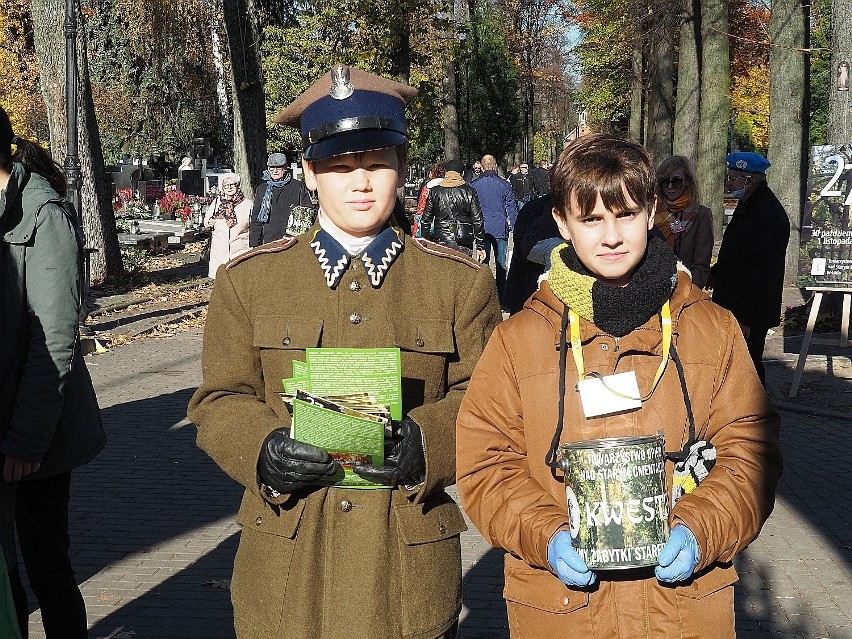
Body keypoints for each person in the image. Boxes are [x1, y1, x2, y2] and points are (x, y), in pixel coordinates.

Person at [188, 64, 502, 639]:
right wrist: (261, 450)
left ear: (403, 169)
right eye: (338, 166)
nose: (360, 182)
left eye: (377, 162)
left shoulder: (458, 284)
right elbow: (219, 398)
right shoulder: (251, 282)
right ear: (308, 174)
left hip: (404, 563)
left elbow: (488, 403)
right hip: (290, 561)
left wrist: (428, 444)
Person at [456, 134, 781, 638]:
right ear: (562, 222)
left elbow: (750, 450)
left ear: (651, 211)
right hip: (563, 614)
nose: (611, 236)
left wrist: (699, 529)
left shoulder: (711, 329)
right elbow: (486, 463)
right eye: (591, 219)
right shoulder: (519, 340)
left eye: (625, 214)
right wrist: (548, 536)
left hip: (681, 613)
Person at [0, 106, 105, 638]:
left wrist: (25, 442)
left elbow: (54, 341)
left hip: (37, 433)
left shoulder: (41, 215)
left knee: (46, 566)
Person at [710, 151, 790, 386]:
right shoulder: (749, 204)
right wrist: (717, 273)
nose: (730, 183)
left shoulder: (767, 213)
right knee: (734, 364)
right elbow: (738, 252)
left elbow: (763, 272)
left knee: (748, 366)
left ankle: (756, 415)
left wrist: (746, 318)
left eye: (734, 179)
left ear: (750, 180)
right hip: (734, 303)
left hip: (748, 312)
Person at [653, 156, 714, 289]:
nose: (670, 187)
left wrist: (688, 292)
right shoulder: (651, 211)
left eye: (676, 181)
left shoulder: (701, 215)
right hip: (651, 288)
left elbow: (701, 265)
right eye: (665, 181)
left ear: (687, 181)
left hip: (684, 289)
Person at [470, 154, 518, 304]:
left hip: (481, 228)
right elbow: (511, 208)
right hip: (499, 227)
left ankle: (484, 294)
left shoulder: (474, 185)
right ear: (495, 166)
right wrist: (516, 230)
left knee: (483, 261)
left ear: (482, 167)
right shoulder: (504, 185)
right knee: (501, 262)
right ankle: (502, 295)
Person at [420, 159, 485, 259]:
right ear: (462, 173)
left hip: (440, 239)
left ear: (446, 173)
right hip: (463, 240)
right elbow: (477, 220)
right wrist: (480, 245)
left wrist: (425, 241)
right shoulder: (469, 192)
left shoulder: (435, 191)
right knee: (463, 272)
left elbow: (425, 220)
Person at [248, 152, 316, 247]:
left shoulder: (298, 187)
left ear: (285, 168)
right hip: (268, 240)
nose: (275, 171)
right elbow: (256, 219)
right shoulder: (262, 189)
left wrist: (302, 239)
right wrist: (254, 244)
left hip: (291, 241)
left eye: (278, 167)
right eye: (272, 168)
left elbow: (307, 215)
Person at [204, 174, 252, 278]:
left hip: (240, 252)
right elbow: (206, 221)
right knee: (221, 284)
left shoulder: (248, 204)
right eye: (226, 185)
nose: (229, 188)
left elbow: (254, 227)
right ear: (222, 187)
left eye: (232, 185)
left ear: (238, 186)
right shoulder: (217, 202)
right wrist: (210, 221)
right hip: (219, 252)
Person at [413, 161, 445, 237]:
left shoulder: (428, 186)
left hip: (427, 223)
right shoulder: (449, 187)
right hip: (443, 225)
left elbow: (421, 207)